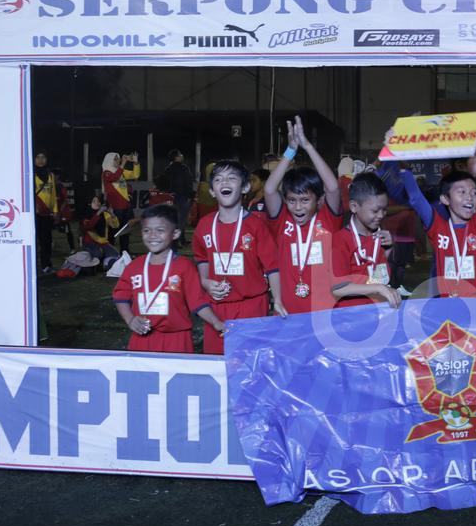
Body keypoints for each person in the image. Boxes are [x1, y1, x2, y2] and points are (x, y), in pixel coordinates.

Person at [192, 160, 285, 354]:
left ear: (245, 187)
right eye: (218, 179)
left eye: (231, 178)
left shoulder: (257, 225)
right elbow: (202, 259)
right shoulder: (204, 225)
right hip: (217, 307)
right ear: (211, 190)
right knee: (216, 363)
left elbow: (272, 266)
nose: (224, 182)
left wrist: (277, 299)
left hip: (251, 306)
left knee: (248, 364)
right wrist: (206, 282)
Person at [397, 129, 476, 298]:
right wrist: (403, 164)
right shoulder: (438, 227)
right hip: (447, 308)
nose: (470, 197)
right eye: (461, 192)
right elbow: (416, 198)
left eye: (474, 192)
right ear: (445, 199)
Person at [112, 204, 224, 354]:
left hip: (177, 340)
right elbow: (120, 296)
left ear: (175, 233)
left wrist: (215, 322)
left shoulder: (184, 266)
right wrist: (130, 319)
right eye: (147, 230)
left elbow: (197, 302)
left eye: (160, 230)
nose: (152, 235)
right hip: (141, 339)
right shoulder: (134, 267)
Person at [264, 116, 346, 315]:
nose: (298, 207)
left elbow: (333, 187)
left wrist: (307, 146)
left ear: (318, 200)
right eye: (292, 201)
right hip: (287, 312)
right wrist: (290, 150)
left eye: (304, 200)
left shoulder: (327, 221)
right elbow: (269, 189)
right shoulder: (283, 222)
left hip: (323, 312)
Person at [332, 174, 402, 309]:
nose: (381, 215)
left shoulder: (379, 236)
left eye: (384, 209)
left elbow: (379, 273)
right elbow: (337, 288)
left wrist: (388, 250)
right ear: (354, 206)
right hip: (352, 317)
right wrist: (378, 288)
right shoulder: (340, 240)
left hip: (379, 311)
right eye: (375, 211)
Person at [102, 151, 140, 253]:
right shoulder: (106, 172)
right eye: (116, 158)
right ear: (109, 160)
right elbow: (114, 177)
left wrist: (135, 163)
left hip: (126, 206)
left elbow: (135, 175)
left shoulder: (120, 171)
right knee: (113, 233)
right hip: (115, 208)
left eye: (118, 158)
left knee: (125, 232)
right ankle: (109, 254)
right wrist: (123, 163)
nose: (118, 160)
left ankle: (125, 254)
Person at [33, 151, 60, 273]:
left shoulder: (50, 175)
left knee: (46, 241)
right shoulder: (30, 173)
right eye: (37, 157)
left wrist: (55, 211)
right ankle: (32, 264)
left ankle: (46, 264)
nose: (40, 160)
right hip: (34, 214)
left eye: (43, 157)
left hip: (47, 214)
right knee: (34, 240)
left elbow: (53, 194)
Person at [80, 192, 121, 270]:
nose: (97, 203)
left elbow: (115, 226)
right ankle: (89, 262)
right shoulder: (86, 213)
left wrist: (112, 214)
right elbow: (89, 226)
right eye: (94, 201)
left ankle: (103, 265)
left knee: (115, 254)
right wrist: (98, 213)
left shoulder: (104, 214)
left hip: (102, 242)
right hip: (89, 242)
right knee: (98, 253)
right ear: (89, 203)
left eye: (98, 201)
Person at [164, 150, 195, 247]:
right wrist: (190, 195)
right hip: (183, 196)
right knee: (182, 220)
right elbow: (188, 182)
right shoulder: (183, 168)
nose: (182, 156)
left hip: (171, 197)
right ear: (176, 157)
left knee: (174, 219)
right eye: (180, 155)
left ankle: (181, 239)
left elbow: (164, 183)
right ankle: (177, 241)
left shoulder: (168, 169)